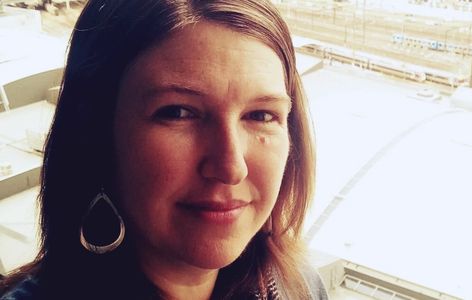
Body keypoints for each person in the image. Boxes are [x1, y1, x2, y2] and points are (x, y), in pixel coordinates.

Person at [0, 0, 325, 299]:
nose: (231, 167)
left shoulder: (300, 285)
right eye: (178, 113)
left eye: (260, 115)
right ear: (97, 133)